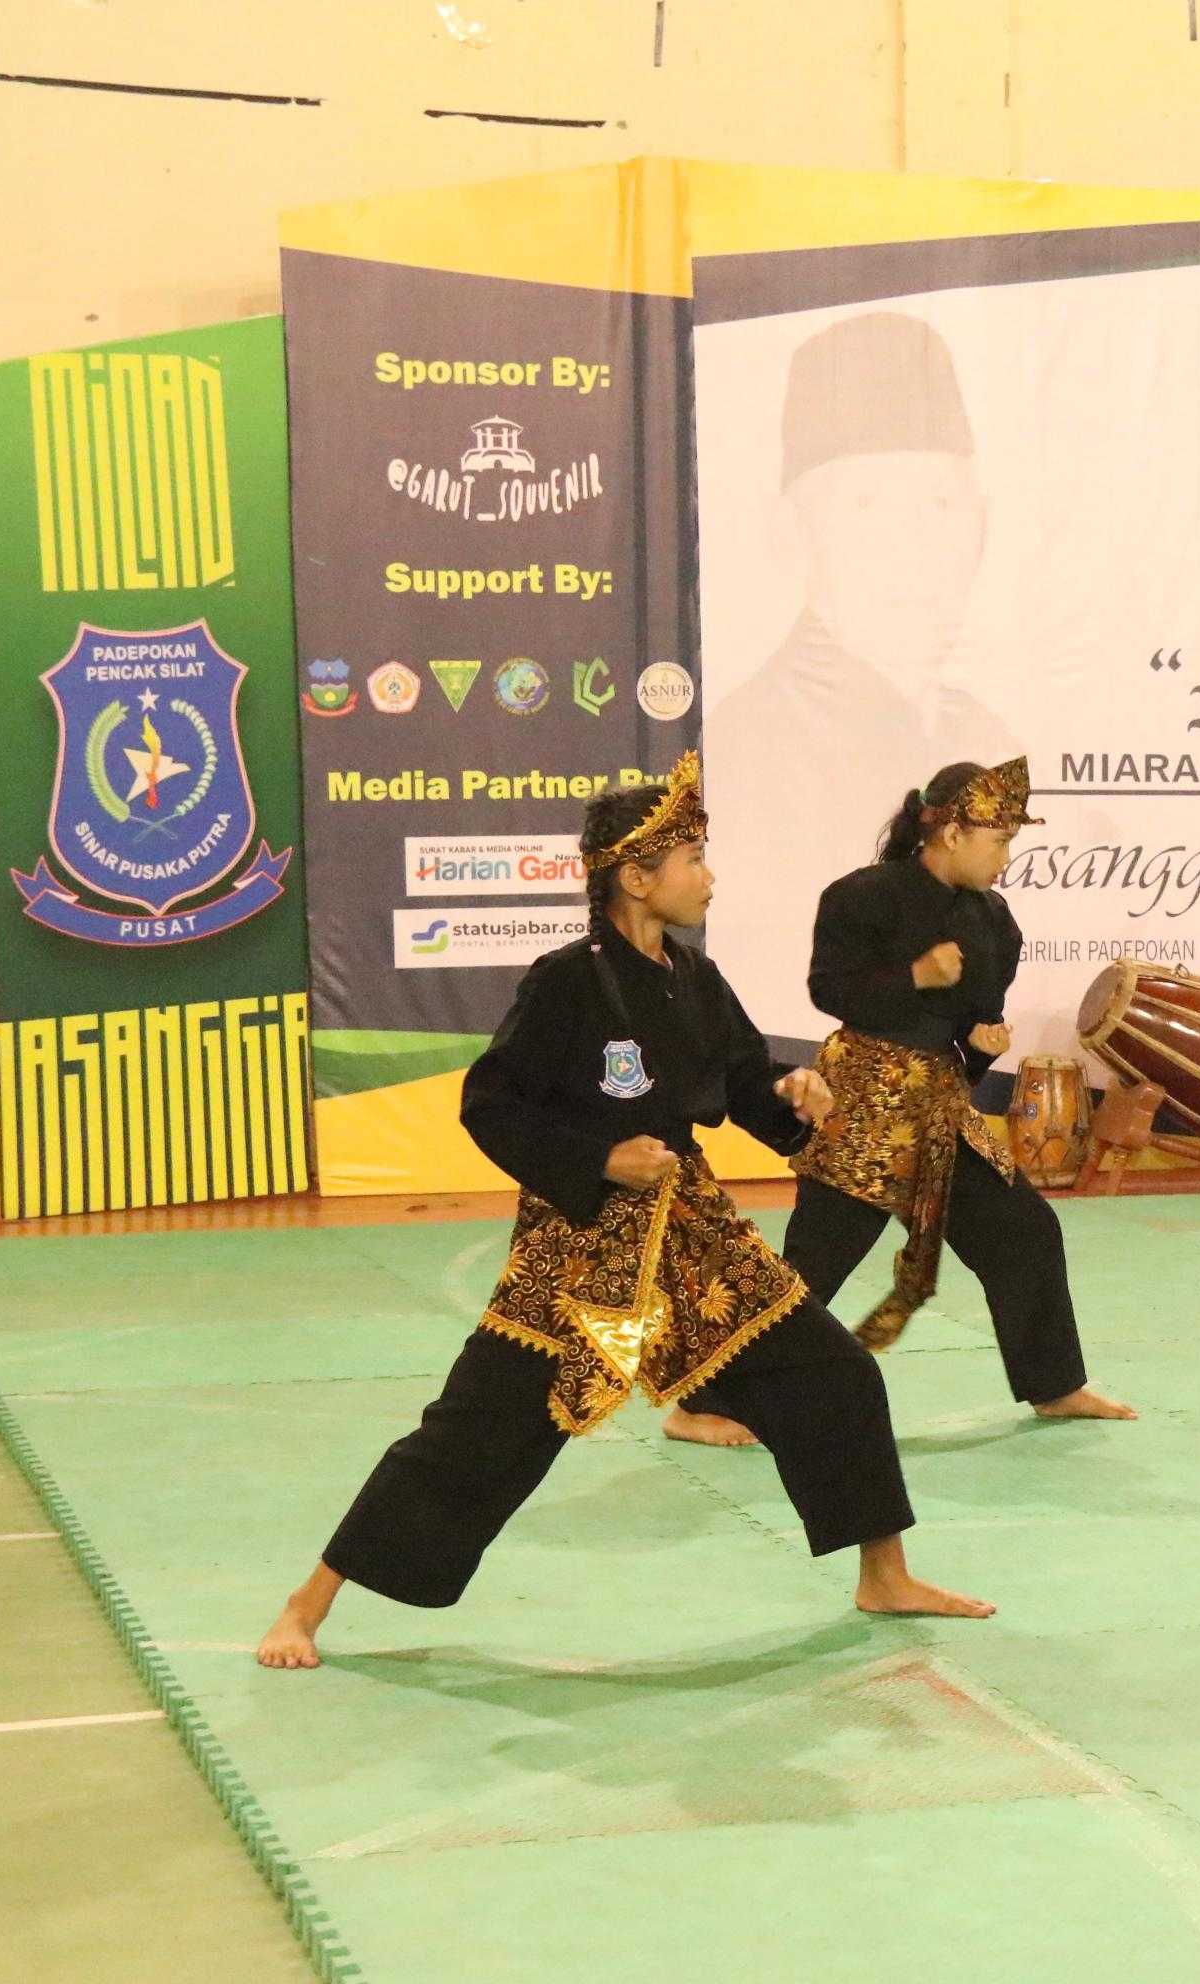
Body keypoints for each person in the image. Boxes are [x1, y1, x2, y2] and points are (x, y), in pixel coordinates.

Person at [256, 756, 992, 1668]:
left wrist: (795, 1093)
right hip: (583, 1249)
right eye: (692, 858)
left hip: (696, 1236)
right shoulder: (567, 983)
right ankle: (309, 1602)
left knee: (835, 1375)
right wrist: (598, 1156)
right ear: (636, 879)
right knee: (480, 1430)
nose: (709, 876)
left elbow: (742, 1084)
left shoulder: (693, 976)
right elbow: (491, 1104)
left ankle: (882, 1573)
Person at [668, 757, 1129, 1446]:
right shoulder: (861, 897)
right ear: (948, 832)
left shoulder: (994, 922)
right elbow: (831, 991)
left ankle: (1054, 1383)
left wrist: (980, 1045)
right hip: (862, 1105)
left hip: (940, 1109)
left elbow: (962, 1033)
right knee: (813, 1268)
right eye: (998, 840)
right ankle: (700, 1402)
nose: (1006, 857)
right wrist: (916, 973)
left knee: (1022, 1230)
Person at [705, 309, 1014, 1040]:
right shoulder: (749, 744)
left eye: (939, 503)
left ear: (980, 526)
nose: (912, 544)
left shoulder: (986, 731)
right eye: (868, 504)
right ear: (792, 532)